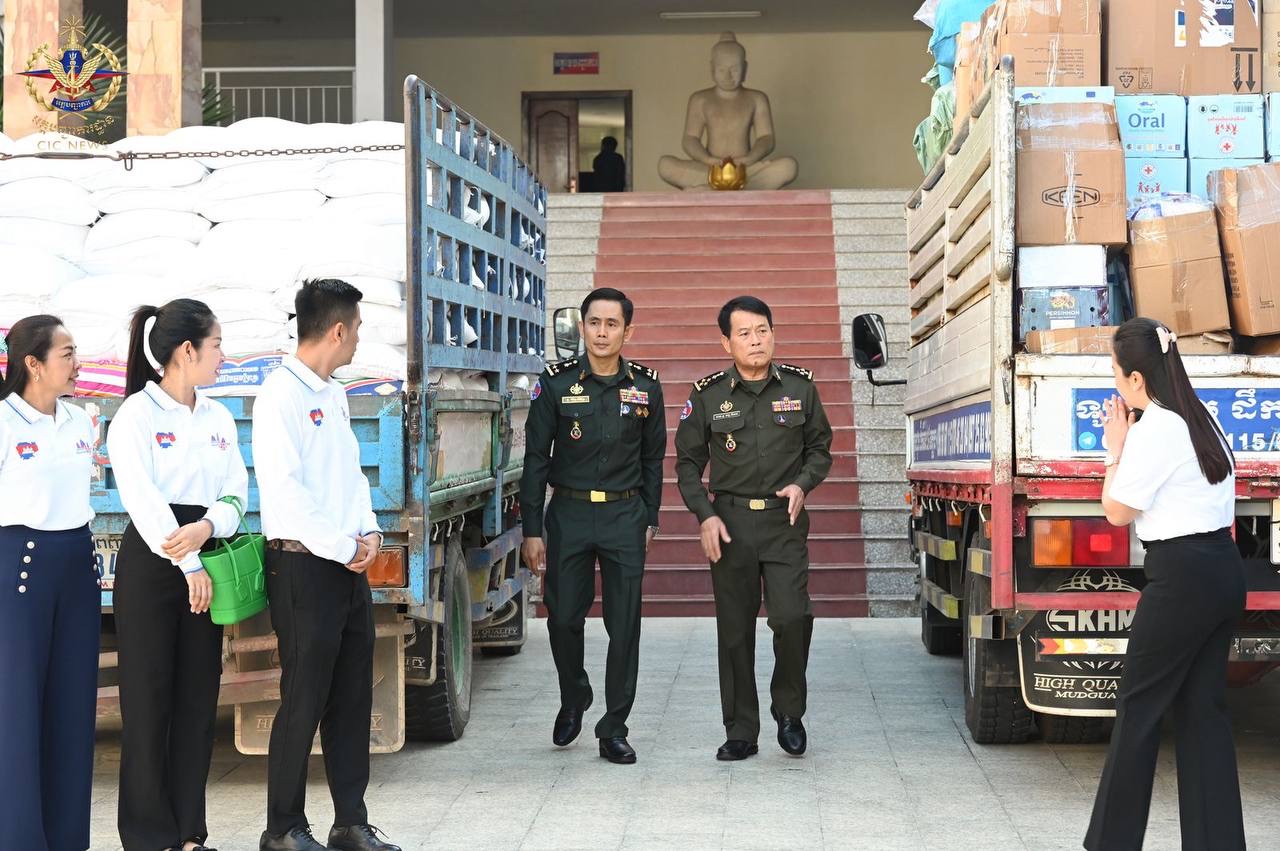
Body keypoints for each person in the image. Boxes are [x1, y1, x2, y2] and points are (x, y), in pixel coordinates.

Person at [1085, 318, 1246, 851]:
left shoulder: (1156, 428)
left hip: (1181, 579)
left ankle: (1111, 843)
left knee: (1138, 709)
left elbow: (1116, 512)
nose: (1114, 384)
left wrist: (1114, 449)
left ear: (1136, 378)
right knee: (1203, 712)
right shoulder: (1201, 417)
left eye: (1115, 373)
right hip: (1222, 571)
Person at [253, 279, 400, 851]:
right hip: (303, 568)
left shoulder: (333, 394)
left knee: (352, 697)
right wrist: (344, 548)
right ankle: (282, 827)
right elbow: (285, 493)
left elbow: (351, 476)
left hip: (345, 566)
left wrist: (369, 529)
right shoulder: (280, 395)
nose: (359, 337)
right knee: (304, 699)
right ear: (338, 330)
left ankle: (350, 823)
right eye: (357, 328)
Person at [108, 299, 248, 851]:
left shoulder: (217, 417)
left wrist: (209, 526)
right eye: (217, 345)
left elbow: (237, 491)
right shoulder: (136, 416)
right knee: (148, 703)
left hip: (206, 554)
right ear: (186, 351)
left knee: (197, 701)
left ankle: (189, 833)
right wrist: (188, 561)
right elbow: (143, 501)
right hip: (154, 563)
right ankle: (149, 837)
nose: (223, 356)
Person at [674, 295, 832, 761]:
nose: (756, 340)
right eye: (744, 333)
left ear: (773, 334)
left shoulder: (800, 387)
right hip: (731, 524)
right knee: (735, 630)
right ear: (726, 343)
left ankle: (789, 711)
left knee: (792, 617)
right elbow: (686, 464)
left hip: (784, 521)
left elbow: (820, 449)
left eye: (762, 330)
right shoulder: (707, 395)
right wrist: (705, 515)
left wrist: (803, 484)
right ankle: (741, 730)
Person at [519, 287, 666, 764]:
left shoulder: (646, 387)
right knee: (563, 618)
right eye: (594, 323)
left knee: (624, 627)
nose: (602, 333)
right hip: (570, 514)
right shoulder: (555, 383)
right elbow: (536, 459)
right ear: (581, 327)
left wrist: (650, 517)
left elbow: (653, 459)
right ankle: (574, 694)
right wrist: (532, 530)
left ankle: (614, 727)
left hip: (626, 516)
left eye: (612, 324)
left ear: (628, 332)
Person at [0, 316, 99, 851]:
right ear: (33, 364)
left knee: (73, 708)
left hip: (77, 566)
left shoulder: (80, 421)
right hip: (20, 567)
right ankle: (19, 839)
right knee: (18, 709)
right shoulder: (4, 422)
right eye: (67, 354)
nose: (77, 363)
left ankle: (66, 839)